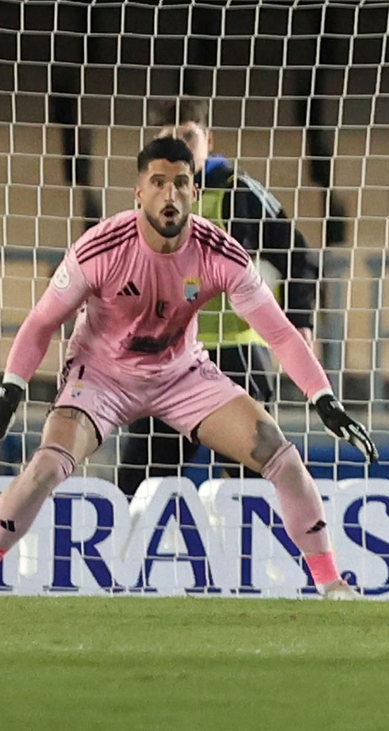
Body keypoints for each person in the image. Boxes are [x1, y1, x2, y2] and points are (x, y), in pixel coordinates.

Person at [0, 137, 377, 599]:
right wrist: (9, 394)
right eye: (159, 182)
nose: (171, 195)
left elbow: (281, 333)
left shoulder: (220, 253)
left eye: (181, 183)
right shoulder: (101, 247)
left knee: (282, 458)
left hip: (181, 375)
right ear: (139, 191)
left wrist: (324, 400)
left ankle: (332, 585)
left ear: (194, 191)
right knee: (47, 466)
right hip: (101, 376)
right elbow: (41, 323)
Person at [116, 101, 320, 497]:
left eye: (188, 137)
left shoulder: (238, 190)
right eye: (167, 140)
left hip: (235, 354)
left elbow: (296, 253)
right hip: (167, 357)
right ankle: (137, 555)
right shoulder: (146, 201)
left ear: (208, 141)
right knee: (140, 483)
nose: (178, 147)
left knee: (256, 478)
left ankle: (275, 552)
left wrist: (299, 319)